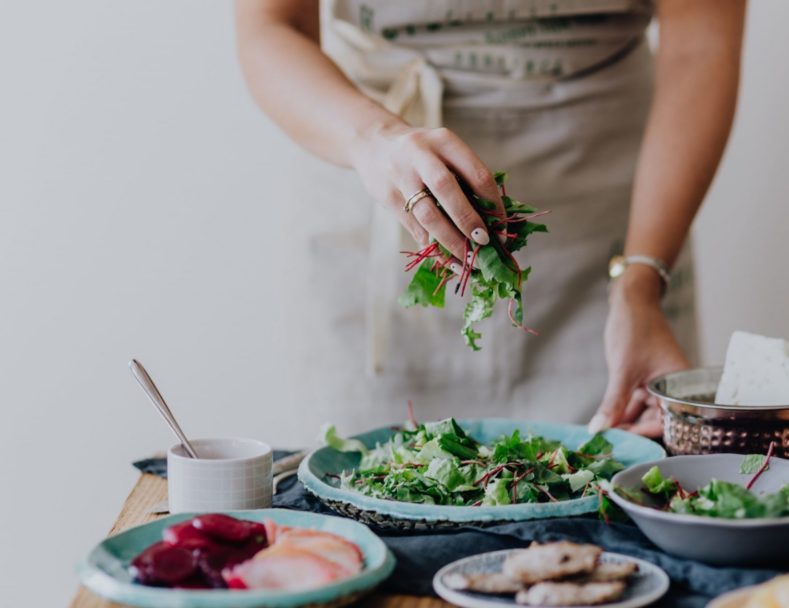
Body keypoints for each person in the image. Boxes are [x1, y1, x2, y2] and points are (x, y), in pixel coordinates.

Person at [234, 0, 746, 436]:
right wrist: (374, 140)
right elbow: (271, 28)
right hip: (372, 169)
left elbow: (700, 46)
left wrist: (640, 282)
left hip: (618, 218)